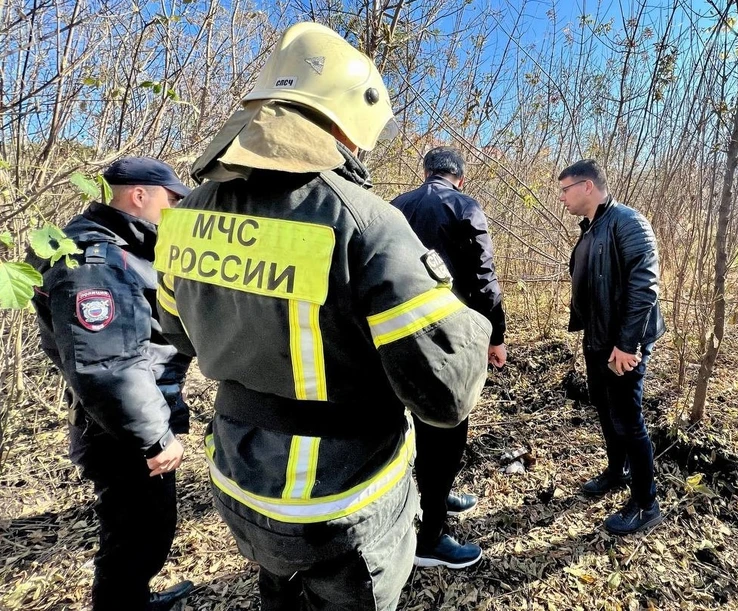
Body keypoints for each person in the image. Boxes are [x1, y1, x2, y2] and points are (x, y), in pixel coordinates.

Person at [154, 23, 491, 611]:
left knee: (278, 591)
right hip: (340, 503)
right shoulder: (362, 221)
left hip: (241, 481)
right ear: (345, 124)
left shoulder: (186, 215)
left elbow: (177, 331)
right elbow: (445, 394)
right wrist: (471, 323)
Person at [28, 157, 194, 610]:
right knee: (139, 535)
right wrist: (155, 437)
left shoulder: (108, 245)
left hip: (121, 419)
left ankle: (131, 600)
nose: (176, 208)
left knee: (136, 533)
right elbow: (108, 365)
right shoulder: (95, 259)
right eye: (172, 198)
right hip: (122, 429)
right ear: (139, 195)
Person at [391, 146, 506, 569]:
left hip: (393, 338)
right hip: (447, 340)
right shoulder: (464, 206)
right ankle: (431, 539)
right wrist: (497, 335)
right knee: (447, 432)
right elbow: (483, 278)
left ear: (426, 173)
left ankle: (433, 499)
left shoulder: (393, 207)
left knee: (411, 430)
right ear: (459, 177)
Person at [560, 159, 666, 535]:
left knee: (627, 419)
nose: (562, 198)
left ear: (587, 186)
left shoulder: (629, 222)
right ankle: (616, 471)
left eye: (566, 189)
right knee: (606, 412)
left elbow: (645, 287)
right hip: (598, 341)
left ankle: (645, 504)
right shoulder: (591, 229)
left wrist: (628, 343)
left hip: (623, 344)